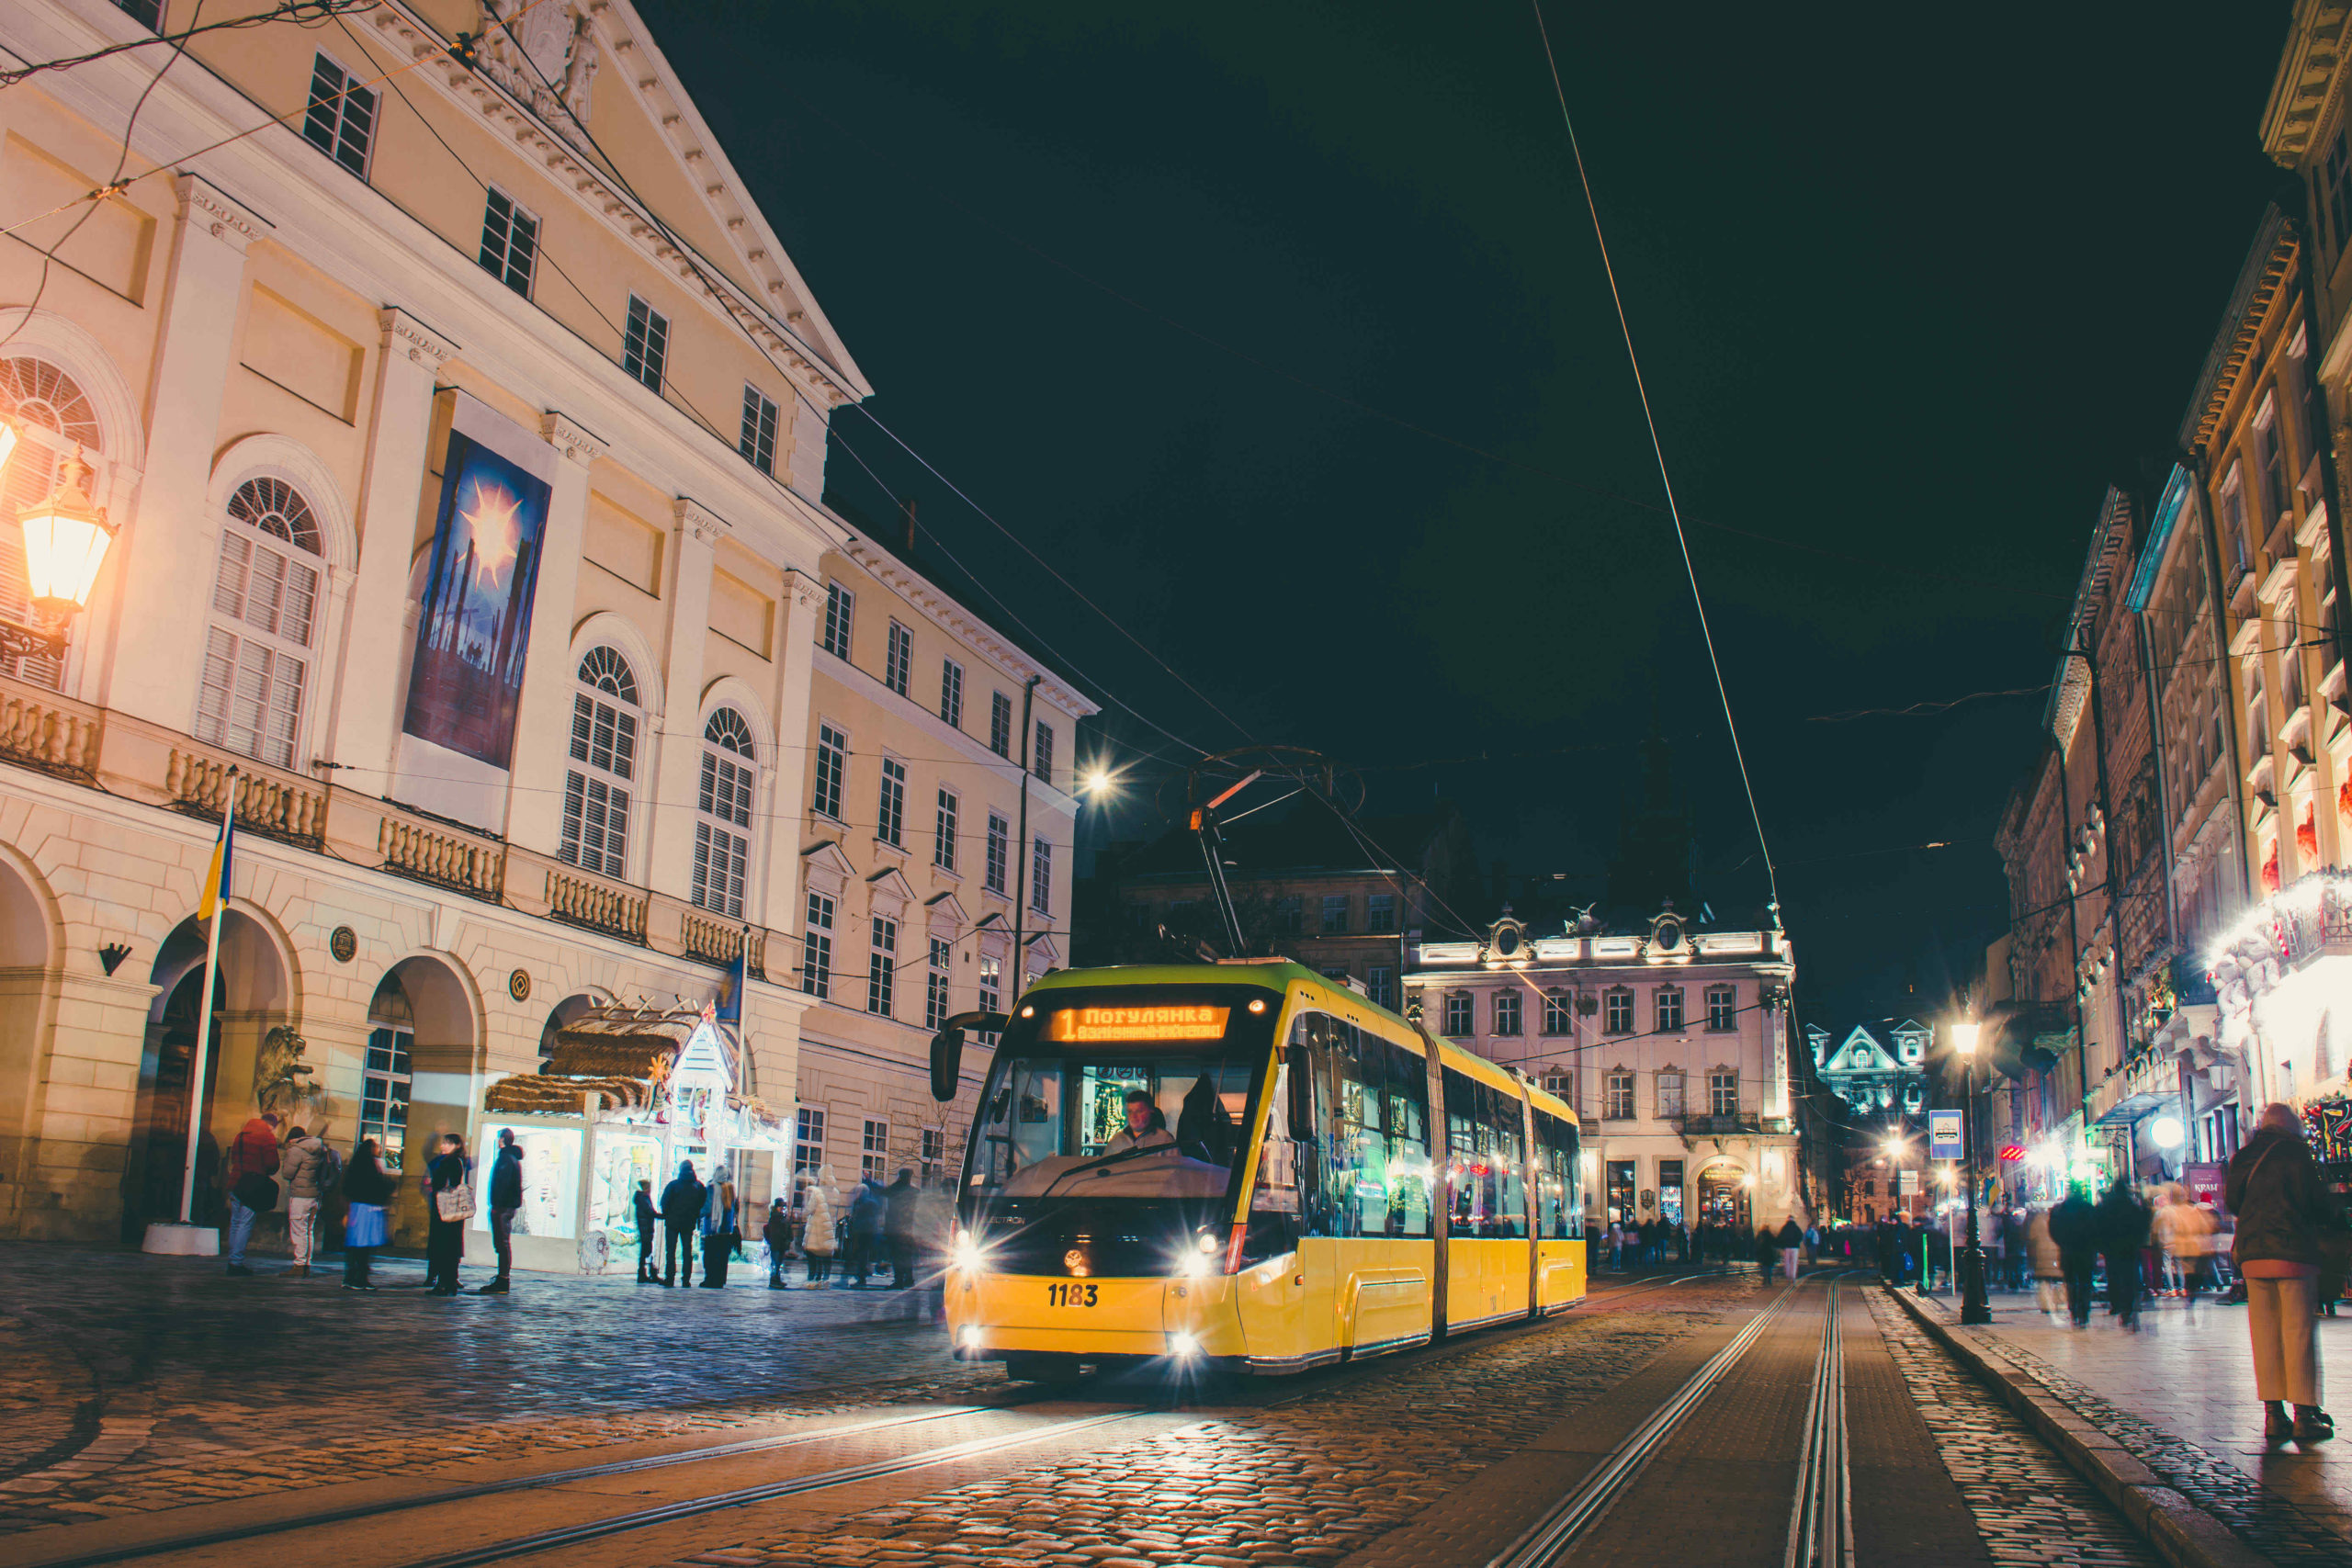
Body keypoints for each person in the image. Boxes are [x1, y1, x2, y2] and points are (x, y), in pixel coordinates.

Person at [2226, 1103, 2337, 1442]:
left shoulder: (2243, 1156)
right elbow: (2318, 1204)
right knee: (2298, 1330)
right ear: (2293, 1127)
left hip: (2253, 1255)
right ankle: (2305, 1415)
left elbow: (2233, 1203)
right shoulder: (2297, 1153)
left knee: (2264, 1333)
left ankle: (2274, 1416)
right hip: (2293, 1252)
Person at [221, 1111, 281, 1277]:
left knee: (235, 1223)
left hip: (235, 1182)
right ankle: (236, 1263)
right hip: (252, 1184)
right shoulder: (267, 1137)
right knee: (245, 1224)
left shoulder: (240, 1135)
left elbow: (234, 1158)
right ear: (272, 1125)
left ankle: (232, 1260)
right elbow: (272, 1163)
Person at [2095, 1180, 2152, 1327]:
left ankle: (2116, 1305)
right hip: (2129, 1247)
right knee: (2129, 1277)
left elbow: (2098, 1226)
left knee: (2113, 1276)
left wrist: (2101, 1246)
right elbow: (2142, 1224)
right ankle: (2128, 1307)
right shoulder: (2131, 1205)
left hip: (2111, 1247)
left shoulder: (2105, 1206)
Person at [340, 1137, 394, 1290]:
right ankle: (360, 1278)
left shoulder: (356, 1165)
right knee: (364, 1245)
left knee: (356, 1244)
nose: (378, 1149)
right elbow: (379, 1185)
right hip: (367, 1209)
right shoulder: (371, 1166)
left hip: (357, 1208)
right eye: (375, 1146)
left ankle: (350, 1277)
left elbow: (347, 1188)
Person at [279, 1122, 331, 1278]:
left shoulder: (296, 1150)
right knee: (309, 1230)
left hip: (300, 1195)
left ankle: (299, 1265)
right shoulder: (321, 1149)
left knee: (299, 1231)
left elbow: (287, 1173)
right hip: (315, 1195)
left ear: (292, 1138)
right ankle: (307, 1264)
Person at [423, 1133, 472, 1295]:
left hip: (445, 1209)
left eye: (447, 1143)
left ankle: (444, 1284)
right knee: (451, 1246)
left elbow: (444, 1183)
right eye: (443, 1143)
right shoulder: (459, 1160)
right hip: (453, 1210)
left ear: (456, 1145)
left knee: (444, 1246)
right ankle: (449, 1283)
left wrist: (434, 1182)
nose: (442, 1146)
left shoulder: (450, 1161)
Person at [478, 1130, 523, 1294]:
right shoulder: (512, 1159)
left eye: (499, 1138)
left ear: (502, 1139)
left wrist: (496, 1204)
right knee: (503, 1244)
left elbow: (501, 1184)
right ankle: (502, 1279)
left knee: (502, 1244)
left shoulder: (505, 1159)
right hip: (506, 1206)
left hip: (502, 1207)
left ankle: (503, 1280)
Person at [2048, 1186, 2098, 1327]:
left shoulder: (2060, 1210)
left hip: (2067, 1251)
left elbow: (2053, 1230)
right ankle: (2084, 1313)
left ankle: (2074, 1312)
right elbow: (2097, 1229)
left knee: (2070, 1283)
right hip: (2086, 1252)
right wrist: (2093, 1245)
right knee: (2085, 1283)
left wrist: (2062, 1243)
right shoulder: (2089, 1209)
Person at [660, 1160, 705, 1287]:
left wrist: (667, 1214)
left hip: (672, 1222)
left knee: (670, 1251)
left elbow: (664, 1202)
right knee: (687, 1251)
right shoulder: (698, 1186)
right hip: (688, 1223)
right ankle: (686, 1280)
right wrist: (695, 1215)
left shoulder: (673, 1185)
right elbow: (702, 1203)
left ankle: (670, 1278)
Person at [844, 1175, 887, 1286]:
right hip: (863, 1232)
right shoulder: (865, 1202)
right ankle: (861, 1275)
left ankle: (861, 1277)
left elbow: (862, 1217)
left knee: (862, 1255)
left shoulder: (866, 1203)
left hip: (864, 1232)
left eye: (858, 1192)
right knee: (861, 1255)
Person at [1106, 1089, 1175, 1155]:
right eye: (1130, 1112)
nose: (1133, 1116)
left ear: (1151, 1111)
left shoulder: (1165, 1140)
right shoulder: (1116, 1141)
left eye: (1139, 1111)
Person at [885, 1168, 921, 1292]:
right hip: (909, 1228)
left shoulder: (895, 1189)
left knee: (897, 1255)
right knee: (907, 1255)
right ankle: (909, 1279)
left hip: (895, 1228)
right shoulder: (915, 1192)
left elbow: (884, 1191)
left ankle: (899, 1280)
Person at [802, 1167, 838, 1285]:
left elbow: (810, 1208)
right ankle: (825, 1277)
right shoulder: (835, 1192)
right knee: (826, 1253)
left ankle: (813, 1277)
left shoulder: (817, 1192)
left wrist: (803, 1213)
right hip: (828, 1225)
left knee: (812, 1252)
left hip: (817, 1225)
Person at [698, 1170, 733, 1288]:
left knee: (710, 1255)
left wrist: (697, 1215)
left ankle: (710, 1279)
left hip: (712, 1229)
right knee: (722, 1257)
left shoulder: (711, 1188)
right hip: (726, 1229)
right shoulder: (730, 1189)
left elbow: (706, 1208)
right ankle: (720, 1280)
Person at [632, 1178, 659, 1283]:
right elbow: (650, 1212)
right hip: (645, 1229)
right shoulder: (643, 1199)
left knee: (646, 1251)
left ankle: (644, 1273)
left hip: (645, 1228)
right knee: (646, 1250)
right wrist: (663, 1216)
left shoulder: (642, 1198)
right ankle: (645, 1273)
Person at [763, 1199, 793, 1289]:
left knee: (778, 1263)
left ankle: (777, 1280)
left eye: (782, 1207)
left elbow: (786, 1229)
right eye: (780, 1206)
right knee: (775, 1263)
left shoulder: (782, 1217)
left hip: (781, 1244)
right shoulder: (775, 1217)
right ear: (777, 1207)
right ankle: (774, 1280)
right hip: (776, 1243)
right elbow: (775, 1231)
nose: (782, 1208)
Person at [1777, 1215, 1804, 1280]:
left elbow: (1780, 1237)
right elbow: (1801, 1236)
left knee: (1787, 1262)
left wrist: (1782, 1245)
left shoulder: (1784, 1228)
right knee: (1794, 1262)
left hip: (1787, 1247)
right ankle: (1793, 1275)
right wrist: (1797, 1242)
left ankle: (1788, 1275)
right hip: (1795, 1247)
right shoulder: (1796, 1228)